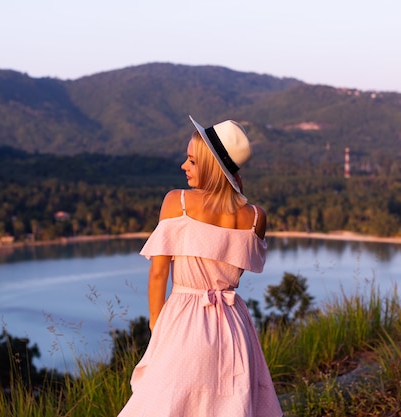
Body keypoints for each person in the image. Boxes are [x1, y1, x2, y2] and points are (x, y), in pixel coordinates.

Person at [117, 116, 283, 416]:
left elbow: (158, 273)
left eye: (192, 160)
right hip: (234, 323)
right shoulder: (256, 217)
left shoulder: (176, 202)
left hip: (185, 318)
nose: (184, 165)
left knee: (166, 403)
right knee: (228, 404)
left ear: (210, 165)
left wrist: (157, 323)